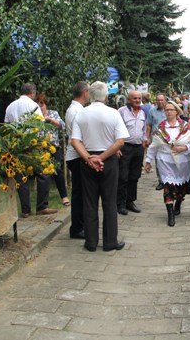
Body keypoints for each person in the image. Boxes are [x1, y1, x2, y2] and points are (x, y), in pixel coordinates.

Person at [71, 81, 128, 252]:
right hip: (108, 159)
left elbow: (75, 141)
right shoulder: (113, 113)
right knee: (110, 202)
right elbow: (121, 141)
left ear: (90, 94)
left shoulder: (81, 114)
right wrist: (102, 157)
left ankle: (91, 242)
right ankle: (110, 242)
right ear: (106, 96)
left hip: (87, 160)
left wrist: (89, 158)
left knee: (89, 202)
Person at [4, 83, 57, 218]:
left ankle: (25, 210)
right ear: (32, 93)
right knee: (43, 173)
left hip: (16, 144)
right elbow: (39, 125)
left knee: (21, 176)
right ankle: (41, 206)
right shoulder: (33, 106)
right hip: (32, 143)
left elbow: (6, 126)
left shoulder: (10, 106)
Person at [144, 101, 190, 227]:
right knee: (168, 187)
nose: (168, 112)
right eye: (166, 110)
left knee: (180, 187)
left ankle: (178, 202)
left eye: (171, 109)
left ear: (176, 111)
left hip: (182, 162)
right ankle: (170, 215)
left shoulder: (185, 127)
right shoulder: (160, 128)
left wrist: (184, 148)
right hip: (165, 161)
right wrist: (148, 161)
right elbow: (154, 146)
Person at [117, 90, 148, 215]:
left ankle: (130, 201)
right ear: (129, 99)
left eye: (139, 98)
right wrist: (117, 147)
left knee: (135, 176)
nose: (137, 100)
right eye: (135, 98)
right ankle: (120, 203)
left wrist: (145, 140)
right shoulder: (121, 112)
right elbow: (116, 129)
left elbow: (144, 128)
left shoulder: (143, 112)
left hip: (138, 147)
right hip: (125, 147)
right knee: (123, 176)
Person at [65, 81, 89, 240]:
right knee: (79, 193)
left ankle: (80, 224)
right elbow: (77, 138)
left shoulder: (76, 109)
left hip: (77, 154)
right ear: (85, 93)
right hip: (76, 155)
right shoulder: (76, 111)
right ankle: (77, 227)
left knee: (80, 192)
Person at [36, 93, 68, 206]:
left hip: (54, 147)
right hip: (41, 148)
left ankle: (64, 196)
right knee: (43, 174)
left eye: (42, 104)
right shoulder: (35, 116)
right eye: (38, 104)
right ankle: (43, 201)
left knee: (58, 172)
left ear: (46, 104)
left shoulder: (53, 113)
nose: (41, 107)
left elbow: (62, 125)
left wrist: (50, 120)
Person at [146, 93, 167, 190]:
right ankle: (161, 181)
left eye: (162, 100)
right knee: (158, 160)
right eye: (158, 100)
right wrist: (148, 137)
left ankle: (170, 179)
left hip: (169, 139)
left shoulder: (169, 109)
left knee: (169, 159)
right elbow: (149, 125)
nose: (160, 102)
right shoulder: (152, 111)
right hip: (156, 139)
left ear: (165, 100)